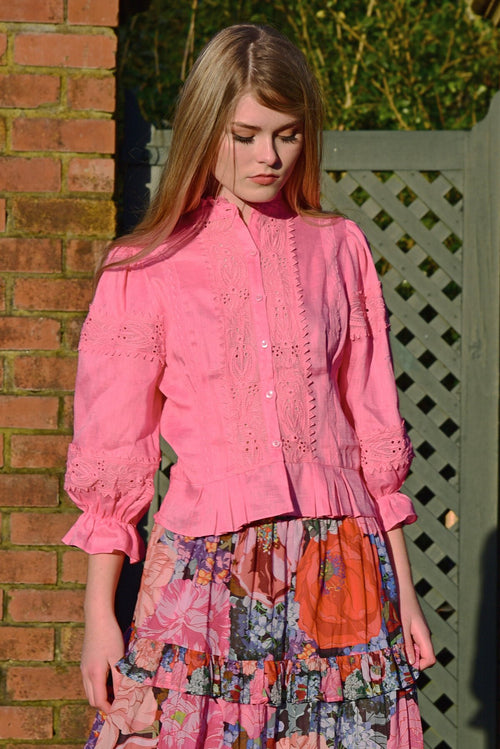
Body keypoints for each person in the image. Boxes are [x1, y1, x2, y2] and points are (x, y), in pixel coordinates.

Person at [63, 23, 435, 749]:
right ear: (206, 128)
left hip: (344, 568)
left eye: (288, 134)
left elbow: (373, 433)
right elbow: (116, 449)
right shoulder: (145, 266)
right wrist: (98, 614)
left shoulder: (340, 248)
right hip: (205, 570)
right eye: (245, 134)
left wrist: (408, 597)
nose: (268, 156)